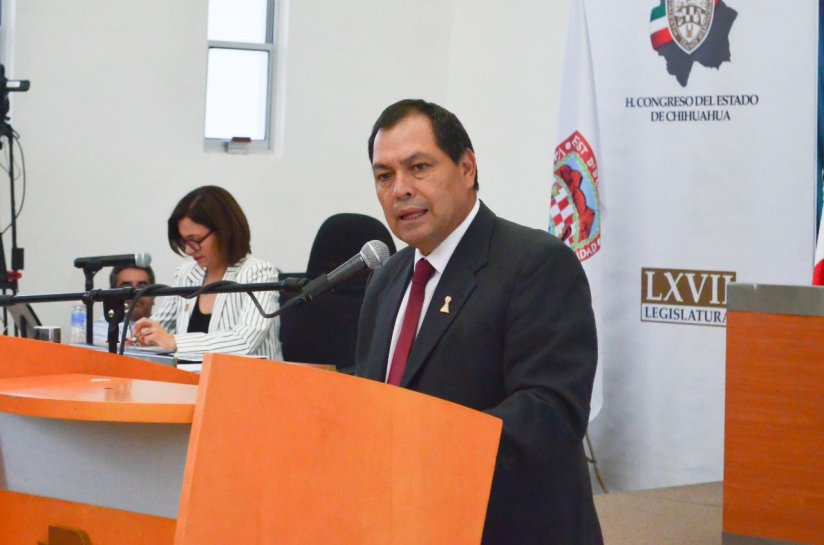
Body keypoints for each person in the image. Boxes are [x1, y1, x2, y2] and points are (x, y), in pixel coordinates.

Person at [356, 99, 602, 545]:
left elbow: (551, 409)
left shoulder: (536, 263)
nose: (400, 189)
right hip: (407, 523)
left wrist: (425, 447)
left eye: (419, 167)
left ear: (467, 168)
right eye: (384, 176)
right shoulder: (387, 278)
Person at [134, 185, 281, 360]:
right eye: (183, 241)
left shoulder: (259, 272)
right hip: (188, 376)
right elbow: (160, 328)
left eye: (195, 240)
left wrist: (174, 341)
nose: (188, 250)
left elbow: (245, 341)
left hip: (248, 377)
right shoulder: (186, 273)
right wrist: (142, 336)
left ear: (224, 231)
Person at [92, 264, 155, 344]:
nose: (134, 294)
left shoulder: (163, 330)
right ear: (112, 295)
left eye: (142, 287)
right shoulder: (97, 330)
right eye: (126, 287)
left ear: (154, 296)